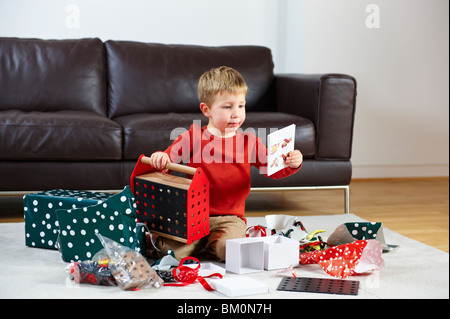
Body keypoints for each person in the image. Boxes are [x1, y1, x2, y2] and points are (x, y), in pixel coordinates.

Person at [148, 66, 303, 261]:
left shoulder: (250, 141)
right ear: (207, 110)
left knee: (230, 252)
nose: (236, 113)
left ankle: (208, 244)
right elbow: (167, 160)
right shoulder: (193, 137)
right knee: (170, 255)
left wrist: (292, 163)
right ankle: (192, 242)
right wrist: (160, 158)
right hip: (194, 214)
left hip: (231, 218)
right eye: (227, 107)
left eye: (241, 105)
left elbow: (272, 169)